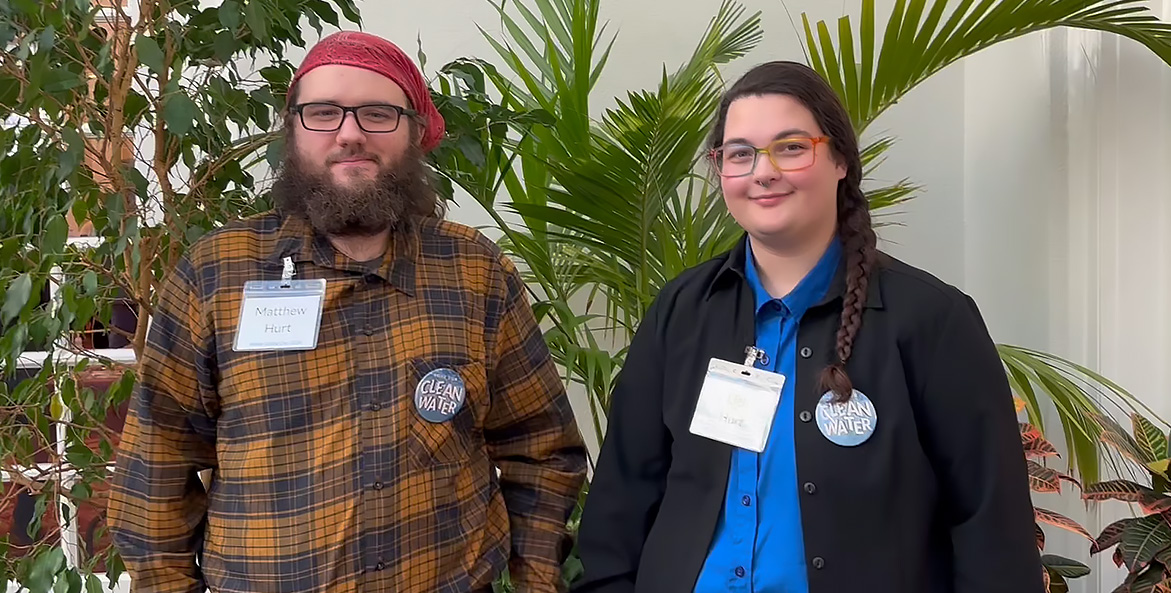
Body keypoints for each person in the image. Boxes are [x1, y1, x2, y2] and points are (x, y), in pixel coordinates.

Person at [106, 30, 587, 593]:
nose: (350, 133)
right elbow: (156, 467)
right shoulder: (215, 273)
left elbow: (543, 449)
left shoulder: (476, 271)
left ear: (414, 131)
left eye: (378, 113)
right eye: (324, 112)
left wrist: (537, 582)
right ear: (293, 129)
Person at [572, 61, 1042, 593]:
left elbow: (991, 531)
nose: (762, 171)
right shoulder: (681, 310)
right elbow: (620, 503)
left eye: (791, 147)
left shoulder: (931, 320)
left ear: (840, 159)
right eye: (740, 154)